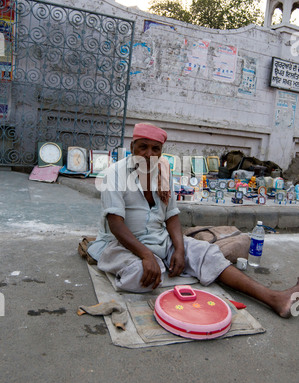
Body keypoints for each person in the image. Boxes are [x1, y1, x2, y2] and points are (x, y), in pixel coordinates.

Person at [88, 123, 299, 319]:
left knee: (208, 254)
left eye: (155, 149)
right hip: (121, 244)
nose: (148, 154)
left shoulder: (163, 172)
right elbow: (116, 225)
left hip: (159, 239)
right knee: (145, 272)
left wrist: (179, 250)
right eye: (142, 147)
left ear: (161, 151)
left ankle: (274, 298)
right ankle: (167, 267)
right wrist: (146, 255)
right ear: (132, 147)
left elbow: (171, 216)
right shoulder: (113, 174)